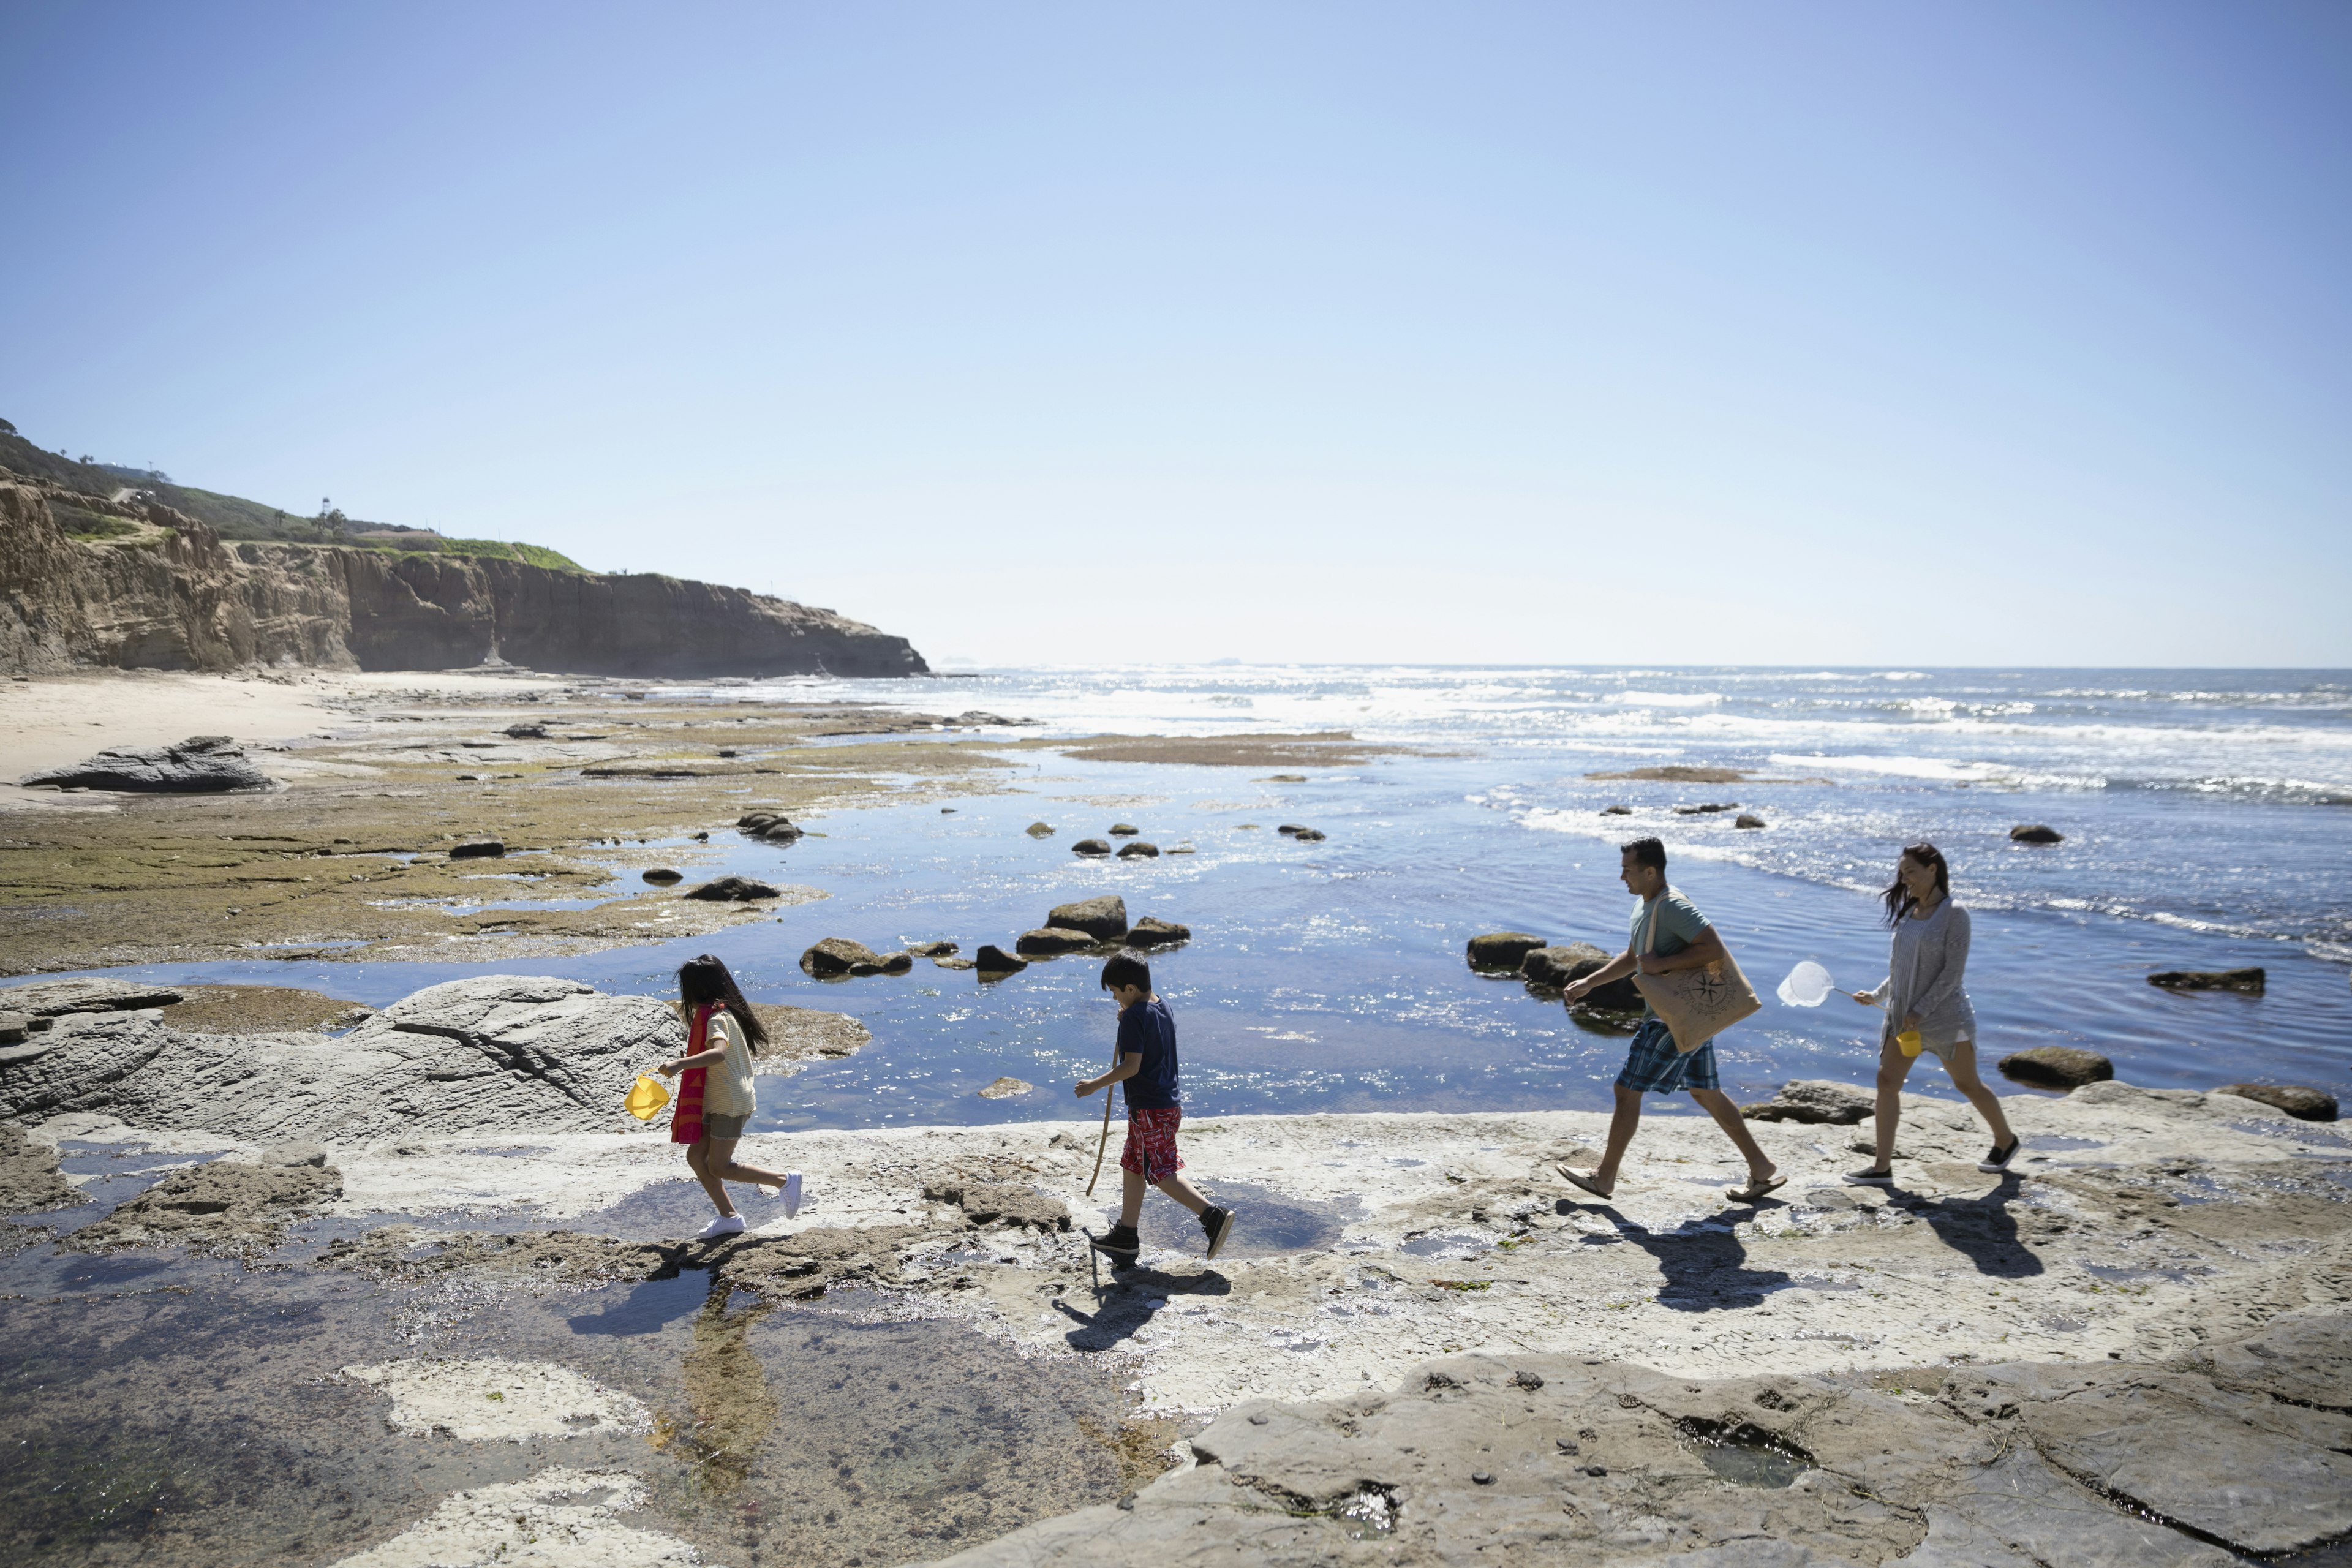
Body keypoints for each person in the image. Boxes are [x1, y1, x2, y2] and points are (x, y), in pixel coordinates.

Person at [1559, 837, 1784, 1204]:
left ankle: (1604, 1179)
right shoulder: (1644, 906)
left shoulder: (1674, 905)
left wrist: (1661, 965)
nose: (1621, 877)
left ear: (1650, 871)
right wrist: (1590, 982)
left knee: (1626, 1090)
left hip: (1669, 1017)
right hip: (1688, 1016)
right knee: (1705, 1092)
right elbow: (1635, 956)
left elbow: (1713, 948)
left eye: (1627, 870)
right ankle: (1761, 1168)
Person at [1844, 843, 2020, 1182]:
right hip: (1903, 1018)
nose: (1905, 879)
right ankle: (1882, 1167)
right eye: (1902, 873)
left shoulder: (1955, 913)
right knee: (1886, 1082)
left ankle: (2006, 1140)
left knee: (1967, 1084)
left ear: (1932, 869)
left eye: (1910, 871)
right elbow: (1902, 967)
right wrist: (1878, 994)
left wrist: (1921, 1010)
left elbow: (1952, 973)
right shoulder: (1911, 912)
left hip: (1946, 1018)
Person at [1075, 950, 1235, 1264]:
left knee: (1159, 1171)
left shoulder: (1134, 1017)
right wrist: (1129, 1018)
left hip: (1150, 1108)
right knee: (1134, 1164)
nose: (1115, 999)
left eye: (1116, 993)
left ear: (1131, 990)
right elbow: (1148, 1035)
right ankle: (1126, 1235)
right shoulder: (1160, 1005)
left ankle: (1212, 1215)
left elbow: (1131, 1067)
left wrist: (1094, 1084)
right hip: (1164, 1105)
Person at [657, 954, 801, 1239]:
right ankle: (730, 1217)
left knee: (719, 1165)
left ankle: (785, 1181)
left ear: (697, 989)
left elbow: (719, 1053)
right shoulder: (725, 1011)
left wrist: (679, 1064)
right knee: (697, 1156)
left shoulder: (718, 1018)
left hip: (730, 1103)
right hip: (718, 1100)